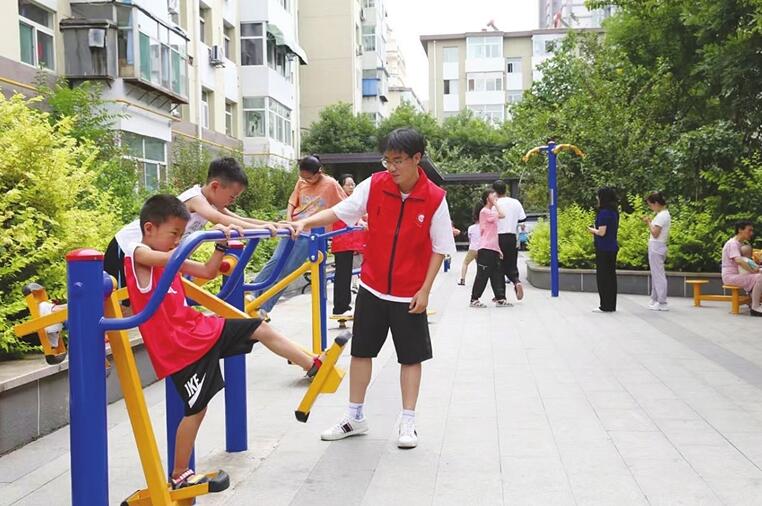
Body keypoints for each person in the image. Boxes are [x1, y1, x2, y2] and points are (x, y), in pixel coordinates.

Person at [123, 195, 327, 489]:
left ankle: (313, 365)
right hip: (179, 348)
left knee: (259, 327)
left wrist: (221, 245)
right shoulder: (138, 255)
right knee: (197, 409)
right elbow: (170, 258)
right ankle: (179, 474)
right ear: (149, 228)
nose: (177, 240)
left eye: (181, 234)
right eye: (174, 233)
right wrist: (202, 238)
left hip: (199, 330)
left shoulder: (168, 254)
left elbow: (207, 271)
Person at [289, 127, 455, 449]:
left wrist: (425, 290)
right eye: (387, 160)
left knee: (411, 358)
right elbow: (341, 211)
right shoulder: (374, 185)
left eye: (398, 160)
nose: (390, 167)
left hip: (408, 293)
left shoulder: (435, 198)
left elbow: (440, 248)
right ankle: (354, 417)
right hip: (372, 286)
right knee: (362, 352)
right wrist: (305, 222)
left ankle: (408, 422)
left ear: (417, 159)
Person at [104, 157, 281, 290]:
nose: (232, 201)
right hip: (127, 245)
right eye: (231, 196)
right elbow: (219, 219)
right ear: (215, 186)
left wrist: (274, 225)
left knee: (141, 294)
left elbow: (239, 219)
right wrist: (261, 229)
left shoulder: (211, 203)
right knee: (123, 296)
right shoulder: (195, 198)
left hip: (155, 250)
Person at [252, 155, 346, 320]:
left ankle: (264, 307)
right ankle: (252, 293)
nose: (305, 180)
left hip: (310, 234)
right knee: (275, 261)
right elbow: (292, 202)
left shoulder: (331, 184)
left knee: (287, 272)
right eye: (303, 177)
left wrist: (362, 220)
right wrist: (289, 220)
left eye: (309, 178)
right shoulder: (301, 182)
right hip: (293, 228)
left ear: (319, 173)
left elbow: (348, 205)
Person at [331, 174, 367, 317]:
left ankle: (345, 305)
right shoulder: (339, 200)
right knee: (342, 275)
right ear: (341, 186)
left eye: (353, 184)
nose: (351, 187)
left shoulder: (353, 200)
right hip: (342, 241)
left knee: (347, 274)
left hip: (352, 242)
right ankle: (340, 307)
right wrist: (360, 221)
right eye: (348, 184)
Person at [470, 190, 511, 308]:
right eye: (493, 195)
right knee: (482, 275)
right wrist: (496, 203)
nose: (495, 196)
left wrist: (498, 249)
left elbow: (493, 234)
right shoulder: (485, 211)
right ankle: (474, 299)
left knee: (497, 274)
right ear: (487, 198)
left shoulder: (490, 212)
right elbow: (502, 214)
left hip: (492, 248)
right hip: (486, 249)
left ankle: (500, 299)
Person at [493, 180, 526, 301]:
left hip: (498, 237)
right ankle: (516, 281)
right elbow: (522, 219)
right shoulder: (515, 202)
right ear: (506, 189)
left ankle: (501, 296)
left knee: (498, 267)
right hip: (512, 236)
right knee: (512, 263)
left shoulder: (494, 204)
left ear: (495, 191)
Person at [588, 187, 619, 312]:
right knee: (611, 277)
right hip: (612, 247)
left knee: (603, 277)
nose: (597, 198)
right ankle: (611, 304)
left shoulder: (603, 213)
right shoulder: (614, 212)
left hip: (603, 248)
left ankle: (605, 305)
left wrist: (592, 230)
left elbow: (601, 232)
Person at [721, 221, 762, 316]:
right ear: (740, 230)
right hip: (731, 276)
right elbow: (739, 260)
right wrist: (754, 270)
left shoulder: (740, 244)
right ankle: (755, 308)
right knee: (760, 277)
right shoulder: (732, 244)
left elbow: (746, 261)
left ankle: (754, 302)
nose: (751, 233)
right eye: (749, 230)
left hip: (739, 274)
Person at [642, 191, 671, 311]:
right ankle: (655, 298)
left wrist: (648, 222)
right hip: (657, 246)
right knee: (656, 274)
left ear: (657, 203)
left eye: (651, 205)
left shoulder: (662, 216)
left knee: (658, 275)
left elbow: (655, 233)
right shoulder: (662, 214)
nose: (651, 207)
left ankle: (662, 301)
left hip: (657, 246)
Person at [458, 202, 482, 286]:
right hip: (481, 248)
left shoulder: (471, 228)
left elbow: (470, 239)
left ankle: (462, 279)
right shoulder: (484, 227)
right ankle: (480, 281)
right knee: (480, 265)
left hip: (472, 248)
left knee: (465, 263)